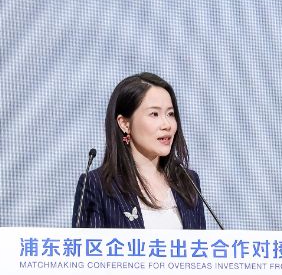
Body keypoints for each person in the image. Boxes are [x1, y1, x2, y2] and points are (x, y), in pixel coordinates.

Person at [72, 73, 206, 229]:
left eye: (170, 114)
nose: (167, 125)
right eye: (154, 114)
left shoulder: (188, 181)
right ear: (125, 124)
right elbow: (87, 244)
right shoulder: (97, 185)